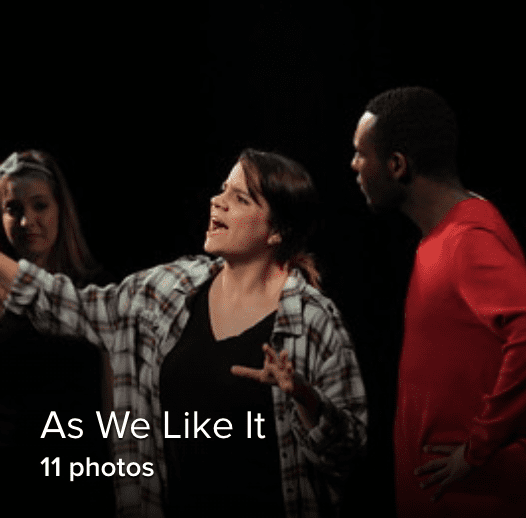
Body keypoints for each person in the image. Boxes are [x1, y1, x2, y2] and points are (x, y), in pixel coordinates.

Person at [0, 148, 367, 518]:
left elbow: (347, 455)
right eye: (223, 189)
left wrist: (305, 398)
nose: (217, 202)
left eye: (238, 198)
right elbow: (69, 304)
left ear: (276, 231)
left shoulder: (313, 319)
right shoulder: (169, 290)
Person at [351, 86, 526, 517]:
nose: (354, 165)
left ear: (396, 165)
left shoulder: (466, 241)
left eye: (361, 154)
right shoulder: (444, 237)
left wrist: (478, 447)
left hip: (473, 501)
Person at [0, 150, 115, 516]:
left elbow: (116, 405)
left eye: (39, 206)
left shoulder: (93, 293)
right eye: (13, 208)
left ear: (60, 209)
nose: (26, 221)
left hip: (82, 481)